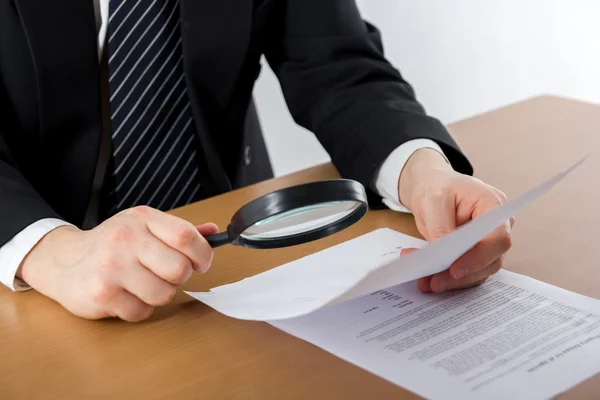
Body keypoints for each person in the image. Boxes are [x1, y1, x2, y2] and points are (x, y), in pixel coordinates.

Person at [0, 0, 513, 322]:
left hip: (231, 252)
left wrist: (422, 171)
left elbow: (335, 61)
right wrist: (49, 249)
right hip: (35, 268)